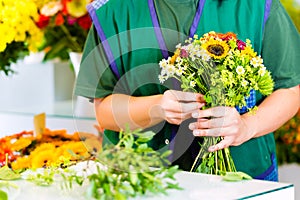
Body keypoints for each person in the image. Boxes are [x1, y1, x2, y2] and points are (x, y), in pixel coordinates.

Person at [75, 0, 300, 182]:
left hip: (244, 176)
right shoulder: (114, 11)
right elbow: (103, 110)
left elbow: (290, 89)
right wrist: (156, 108)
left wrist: (247, 126)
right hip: (141, 180)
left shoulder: (257, 6)